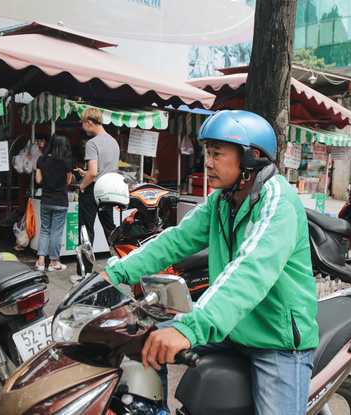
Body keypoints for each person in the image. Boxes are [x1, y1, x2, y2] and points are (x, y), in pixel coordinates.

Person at [101, 110, 319, 414]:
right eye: (208, 152)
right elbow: (175, 240)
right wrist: (112, 273)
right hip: (233, 328)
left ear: (251, 157)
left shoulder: (277, 201)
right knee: (144, 337)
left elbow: (250, 271)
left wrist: (189, 328)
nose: (208, 162)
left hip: (277, 341)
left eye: (217, 154)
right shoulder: (223, 199)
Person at [72, 107, 120, 282]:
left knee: (86, 231)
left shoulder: (92, 143)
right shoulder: (114, 142)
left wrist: (82, 186)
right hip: (108, 190)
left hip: (92, 190)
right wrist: (87, 174)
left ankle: (83, 273)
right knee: (111, 230)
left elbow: (93, 173)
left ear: (89, 122)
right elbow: (103, 170)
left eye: (83, 124)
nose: (83, 128)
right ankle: (120, 264)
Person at [34, 132, 72, 272]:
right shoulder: (66, 161)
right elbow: (68, 182)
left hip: (46, 200)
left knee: (45, 230)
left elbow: (38, 181)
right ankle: (54, 263)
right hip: (60, 201)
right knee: (56, 233)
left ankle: (40, 262)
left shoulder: (41, 160)